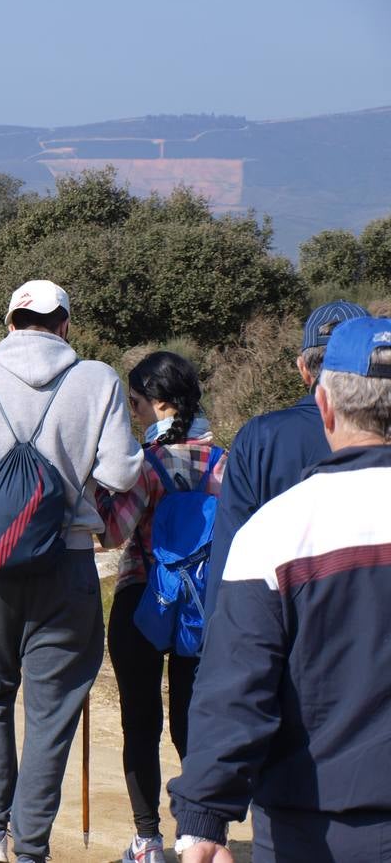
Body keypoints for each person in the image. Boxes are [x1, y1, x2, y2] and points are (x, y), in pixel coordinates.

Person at [169, 317, 391, 863]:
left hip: (313, 827)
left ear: (324, 407)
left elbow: (238, 684)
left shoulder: (275, 533)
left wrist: (203, 817)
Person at [0, 279, 143, 863]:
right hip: (70, 563)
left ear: (9, 324)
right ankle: (31, 848)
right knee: (52, 711)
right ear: (65, 326)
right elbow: (122, 473)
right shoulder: (97, 378)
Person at [94, 352, 227, 863]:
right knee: (193, 721)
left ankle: (147, 840)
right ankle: (196, 833)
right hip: (201, 606)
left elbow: (113, 533)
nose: (133, 412)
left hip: (142, 598)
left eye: (136, 402)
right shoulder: (224, 462)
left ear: (160, 402)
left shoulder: (143, 466)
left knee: (140, 721)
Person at [206, 299, 370, 616]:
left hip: (283, 632)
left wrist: (215, 652)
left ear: (303, 368)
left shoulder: (259, 438)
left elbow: (230, 552)